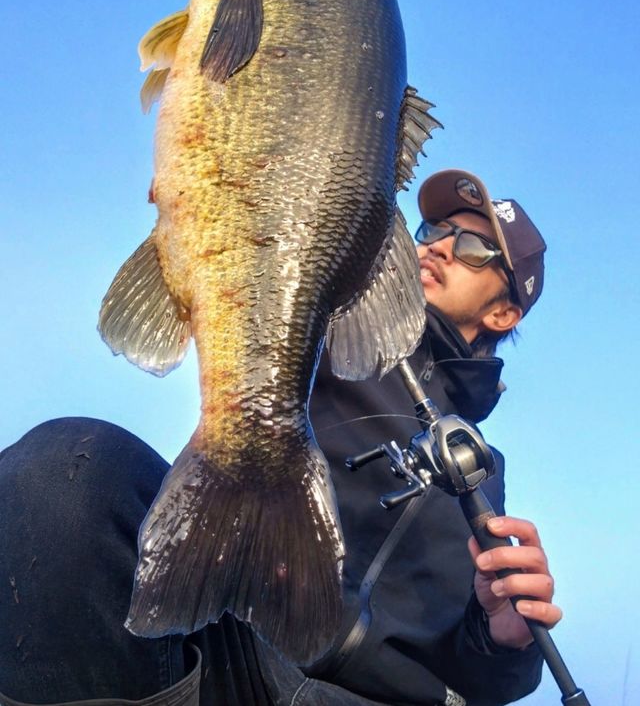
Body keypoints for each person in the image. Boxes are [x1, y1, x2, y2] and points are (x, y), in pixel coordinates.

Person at [0, 169, 560, 706]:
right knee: (67, 469)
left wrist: (504, 638)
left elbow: (479, 676)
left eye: (473, 248)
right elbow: (272, 236)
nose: (439, 247)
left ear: (504, 313)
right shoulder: (325, 323)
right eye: (433, 230)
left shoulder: (483, 471)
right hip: (239, 652)